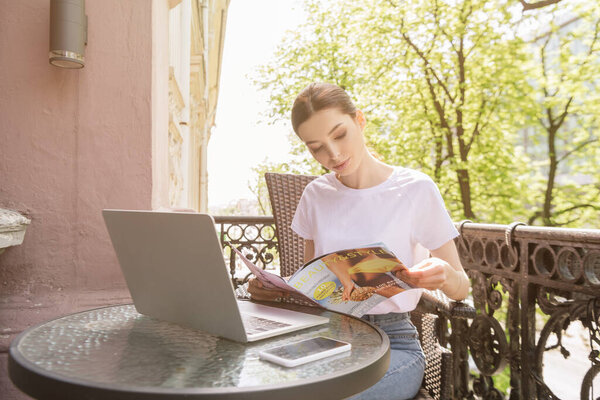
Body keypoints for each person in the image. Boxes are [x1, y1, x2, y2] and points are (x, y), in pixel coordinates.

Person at [249, 82, 470, 400]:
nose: (333, 154)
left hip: (393, 344)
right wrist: (273, 290)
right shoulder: (315, 195)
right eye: (317, 147)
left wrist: (447, 277)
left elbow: (463, 288)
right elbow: (310, 288)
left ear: (359, 121)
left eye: (339, 135)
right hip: (328, 338)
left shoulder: (415, 189)